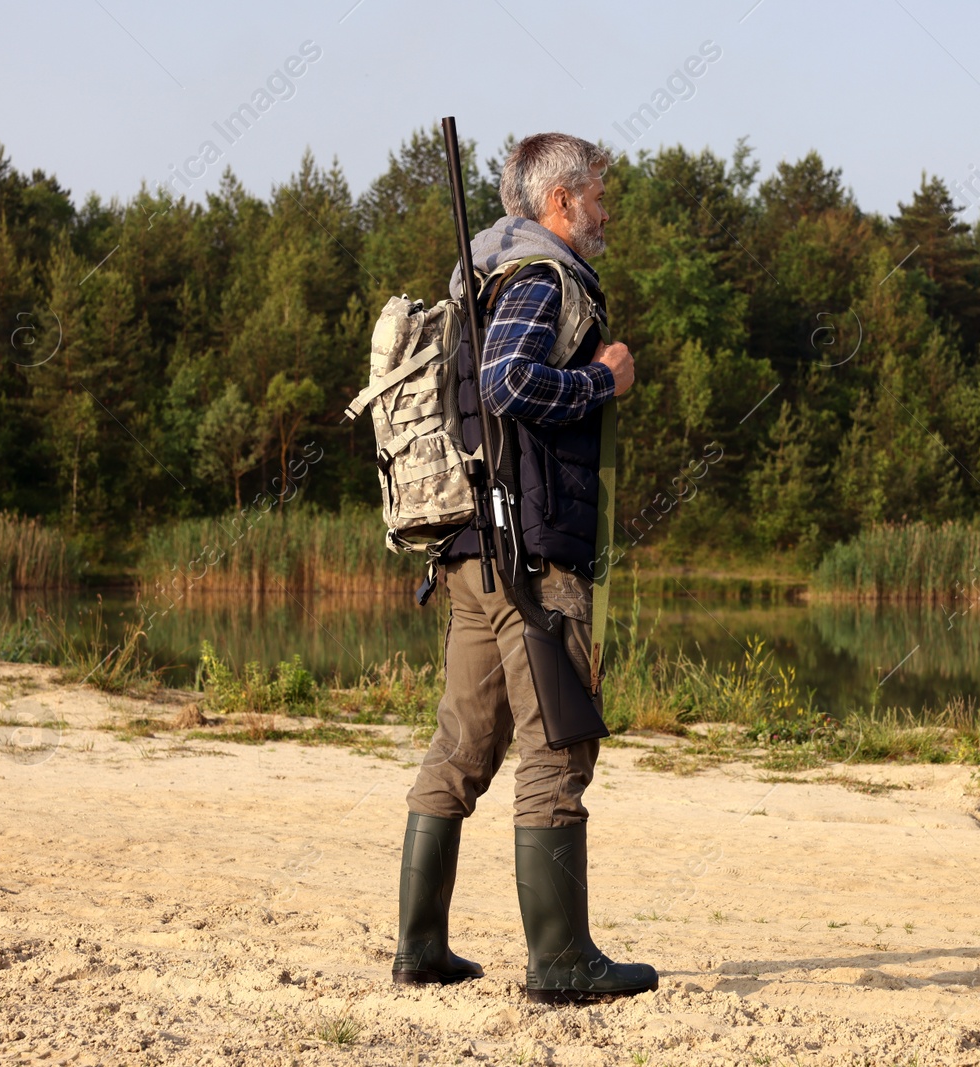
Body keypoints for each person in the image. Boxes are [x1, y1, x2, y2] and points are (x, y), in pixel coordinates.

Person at [390, 132, 655, 1005]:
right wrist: (601, 385)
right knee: (557, 745)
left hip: (473, 555)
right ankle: (560, 959)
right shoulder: (542, 277)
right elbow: (509, 382)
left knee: (461, 745)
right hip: (533, 558)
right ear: (559, 203)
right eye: (598, 195)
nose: (606, 210)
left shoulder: (483, 281)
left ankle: (421, 946)